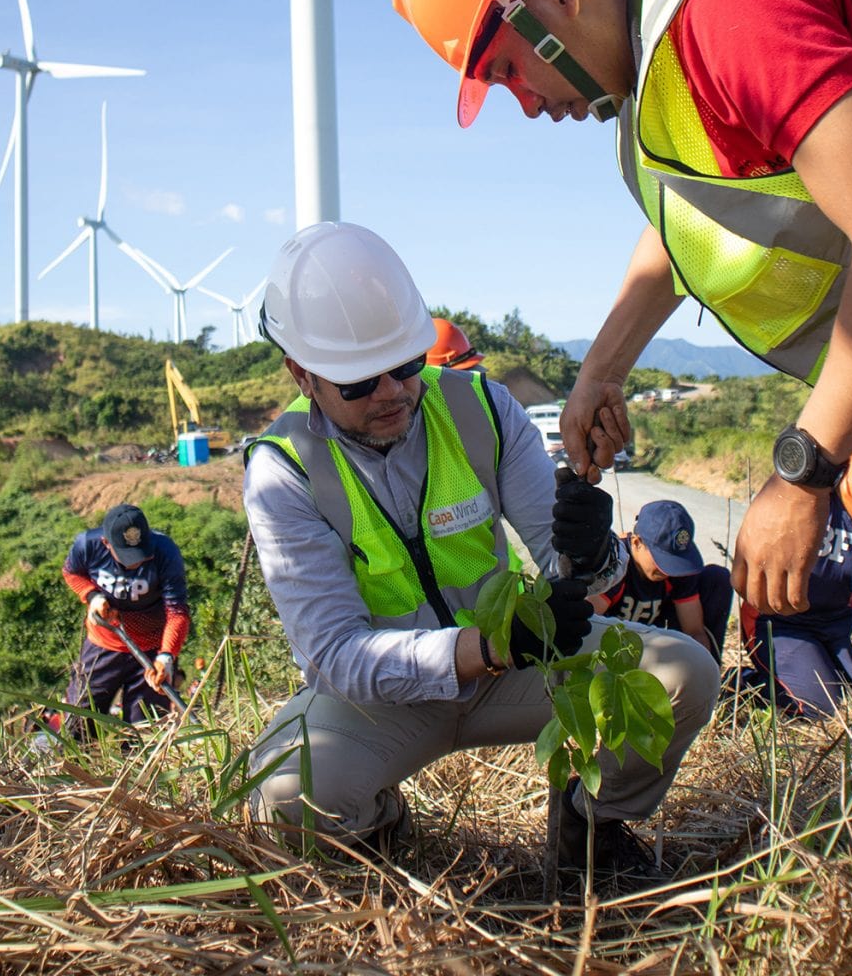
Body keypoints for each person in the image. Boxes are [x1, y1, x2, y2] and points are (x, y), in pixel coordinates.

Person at [392, 0, 852, 975]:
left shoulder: (726, 10)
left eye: (508, 69)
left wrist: (801, 473)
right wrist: (599, 372)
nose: (525, 102)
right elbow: (677, 232)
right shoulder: (654, 111)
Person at [243, 221, 719, 879]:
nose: (390, 394)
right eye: (358, 383)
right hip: (388, 696)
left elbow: (582, 572)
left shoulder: (480, 410)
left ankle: (591, 830)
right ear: (303, 374)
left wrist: (589, 552)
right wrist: (484, 648)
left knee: (683, 675)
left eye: (405, 367)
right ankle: (380, 832)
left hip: (513, 667)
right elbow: (336, 655)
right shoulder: (285, 471)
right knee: (279, 799)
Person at [62, 503, 190, 731]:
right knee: (79, 722)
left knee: (146, 729)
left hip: (151, 650)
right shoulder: (87, 545)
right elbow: (71, 573)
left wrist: (167, 655)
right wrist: (92, 596)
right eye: (126, 557)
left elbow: (177, 612)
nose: (135, 563)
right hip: (104, 643)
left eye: (140, 555)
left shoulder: (165, 553)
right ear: (106, 543)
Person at [739, 491, 852, 717]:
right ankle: (747, 684)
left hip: (841, 620)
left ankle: (829, 669)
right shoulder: (798, 495)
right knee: (822, 708)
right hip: (781, 621)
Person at [589, 500, 733, 663]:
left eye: (674, 562)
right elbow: (588, 624)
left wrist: (706, 670)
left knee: (717, 578)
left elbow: (694, 632)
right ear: (637, 543)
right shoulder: (615, 564)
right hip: (613, 649)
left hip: (658, 645)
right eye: (662, 560)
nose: (668, 571)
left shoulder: (679, 571)